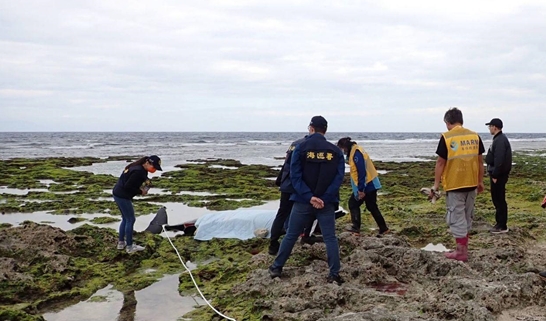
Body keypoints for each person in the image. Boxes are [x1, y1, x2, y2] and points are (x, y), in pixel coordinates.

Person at [268, 116, 345, 284]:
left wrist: (310, 197)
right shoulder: (336, 151)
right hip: (326, 202)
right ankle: (334, 274)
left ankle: (277, 267)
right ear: (325, 130)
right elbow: (338, 179)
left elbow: (295, 176)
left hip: (303, 201)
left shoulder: (300, 148)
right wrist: (323, 198)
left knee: (291, 235)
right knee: (330, 237)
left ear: (311, 128)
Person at [432, 108, 485, 262]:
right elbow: (480, 161)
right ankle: (463, 248)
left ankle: (461, 252)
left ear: (447, 122)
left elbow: (440, 163)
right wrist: (480, 181)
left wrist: (436, 185)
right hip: (472, 183)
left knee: (456, 217)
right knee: (467, 216)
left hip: (455, 184)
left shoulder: (447, 137)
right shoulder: (474, 136)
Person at [336, 137, 389, 237]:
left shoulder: (356, 153)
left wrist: (361, 190)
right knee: (372, 206)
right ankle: (383, 228)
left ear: (345, 147)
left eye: (341, 148)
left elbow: (362, 172)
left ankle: (356, 228)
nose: (342, 151)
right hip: (371, 183)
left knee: (353, 203)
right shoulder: (356, 150)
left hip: (368, 185)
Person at [113, 155, 162, 253]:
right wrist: (141, 192)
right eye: (154, 167)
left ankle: (121, 243)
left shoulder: (139, 168)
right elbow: (128, 186)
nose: (154, 170)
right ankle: (130, 247)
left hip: (117, 193)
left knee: (125, 219)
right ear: (148, 163)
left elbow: (137, 178)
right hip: (123, 196)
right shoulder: (138, 171)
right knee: (130, 219)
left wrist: (147, 181)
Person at [268, 135, 307, 255]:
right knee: (301, 212)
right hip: (297, 185)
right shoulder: (307, 146)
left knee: (282, 213)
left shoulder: (294, 144)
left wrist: (280, 179)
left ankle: (273, 244)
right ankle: (299, 236)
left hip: (286, 184)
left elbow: (286, 164)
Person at [485, 118, 512, 234]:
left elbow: (499, 159)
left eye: (490, 126)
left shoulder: (500, 140)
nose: (489, 128)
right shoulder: (498, 139)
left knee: (499, 199)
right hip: (498, 174)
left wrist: (495, 174)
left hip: (499, 175)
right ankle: (499, 223)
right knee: (497, 199)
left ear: (495, 127)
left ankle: (502, 225)